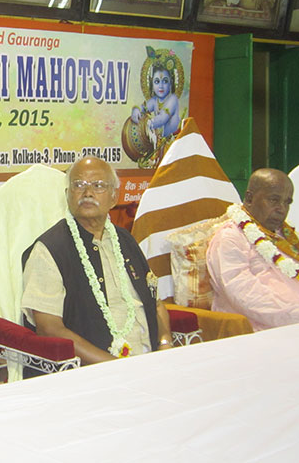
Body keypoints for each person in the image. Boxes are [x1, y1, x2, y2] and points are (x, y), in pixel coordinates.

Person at [21, 157, 173, 368]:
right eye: (78, 185)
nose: (88, 193)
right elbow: (49, 328)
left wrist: (165, 343)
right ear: (67, 195)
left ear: (114, 197)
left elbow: (155, 302)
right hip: (92, 372)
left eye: (98, 185)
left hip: (151, 364)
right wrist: (116, 367)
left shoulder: (125, 240)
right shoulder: (50, 249)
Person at [207, 168, 299, 331]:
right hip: (260, 328)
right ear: (249, 198)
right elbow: (244, 295)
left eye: (287, 202)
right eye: (274, 200)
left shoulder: (285, 236)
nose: (282, 209)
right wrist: (294, 314)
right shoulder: (230, 238)